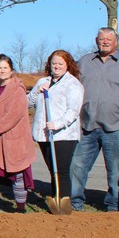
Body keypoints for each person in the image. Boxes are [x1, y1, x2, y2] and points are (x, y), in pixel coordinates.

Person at [69, 27, 119, 211]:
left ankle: (114, 205)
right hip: (87, 125)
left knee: (116, 171)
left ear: (116, 41)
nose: (105, 42)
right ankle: (75, 202)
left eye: (109, 39)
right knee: (77, 166)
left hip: (117, 127)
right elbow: (68, 86)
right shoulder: (84, 62)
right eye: (102, 39)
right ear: (96, 40)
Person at [0, 54, 34, 212]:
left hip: (11, 139)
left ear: (11, 70)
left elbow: (12, 117)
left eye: (5, 68)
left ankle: (20, 208)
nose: (2, 71)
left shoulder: (18, 90)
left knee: (16, 174)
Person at [27, 50, 84, 205]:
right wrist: (37, 92)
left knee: (61, 170)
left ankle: (63, 201)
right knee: (53, 170)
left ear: (67, 65)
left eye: (60, 63)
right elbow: (27, 103)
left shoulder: (73, 84)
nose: (56, 66)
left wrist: (58, 124)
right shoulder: (42, 82)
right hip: (43, 134)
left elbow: (73, 110)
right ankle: (55, 199)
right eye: (54, 63)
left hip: (64, 135)